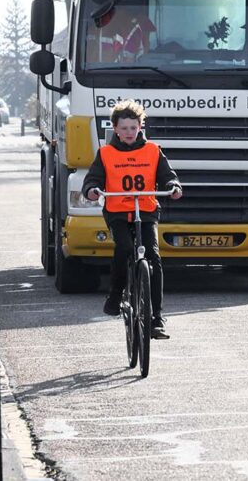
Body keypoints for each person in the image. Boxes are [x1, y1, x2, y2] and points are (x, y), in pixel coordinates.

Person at [82, 99, 182, 339]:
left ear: (140, 127)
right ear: (115, 128)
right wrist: (92, 190)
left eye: (133, 127)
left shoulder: (153, 151)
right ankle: (116, 295)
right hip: (117, 211)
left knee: (153, 257)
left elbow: (167, 176)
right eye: (123, 128)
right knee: (125, 247)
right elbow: (93, 180)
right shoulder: (105, 153)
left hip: (145, 210)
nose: (128, 132)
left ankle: (156, 318)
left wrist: (173, 186)